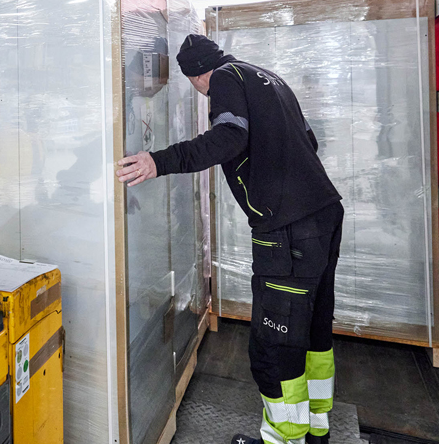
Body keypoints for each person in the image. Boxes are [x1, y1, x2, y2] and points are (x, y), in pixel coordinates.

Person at [117, 34, 343, 444]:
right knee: (312, 330)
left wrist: (157, 161)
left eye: (194, 86)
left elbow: (229, 138)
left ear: (196, 77)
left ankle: (283, 438)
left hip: (288, 230)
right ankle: (316, 430)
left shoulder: (223, 79)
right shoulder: (268, 77)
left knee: (275, 342)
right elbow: (309, 141)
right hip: (325, 214)